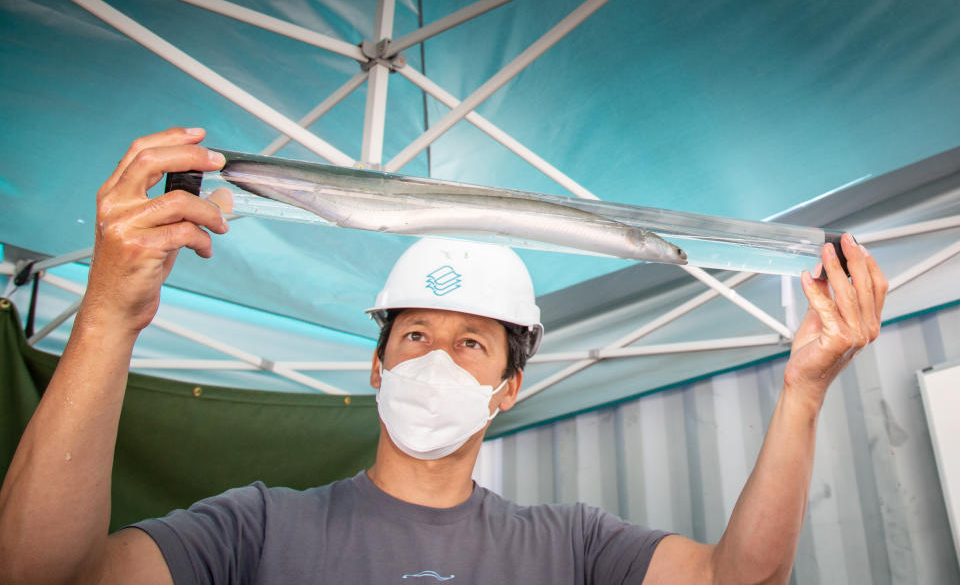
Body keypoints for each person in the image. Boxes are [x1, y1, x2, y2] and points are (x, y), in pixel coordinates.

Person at [0, 127, 888, 584]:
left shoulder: (570, 547)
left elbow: (744, 581)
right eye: (415, 336)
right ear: (377, 367)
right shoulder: (255, 530)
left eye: (472, 344)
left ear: (508, 389)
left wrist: (805, 390)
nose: (435, 361)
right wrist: (109, 318)